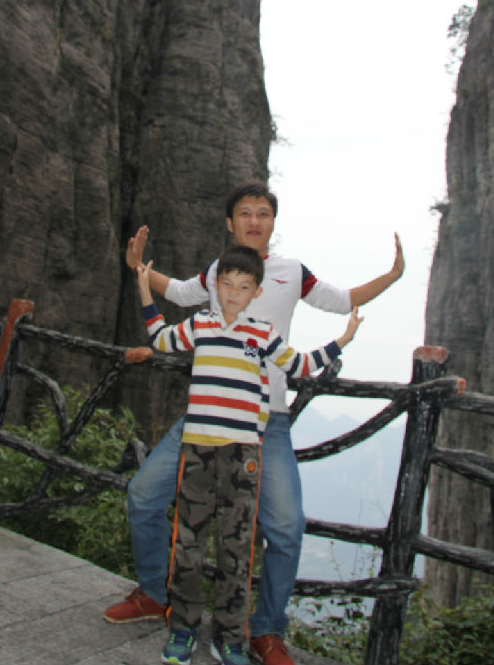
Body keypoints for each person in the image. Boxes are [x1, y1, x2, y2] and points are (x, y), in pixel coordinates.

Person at [104, 182, 405, 665]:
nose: (254, 220)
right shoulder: (217, 272)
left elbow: (343, 298)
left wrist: (392, 275)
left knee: (285, 526)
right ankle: (155, 594)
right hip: (205, 419)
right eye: (245, 213)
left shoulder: (291, 272)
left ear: (272, 222)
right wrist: (137, 268)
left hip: (269, 421)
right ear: (230, 223)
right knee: (143, 495)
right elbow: (177, 292)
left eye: (263, 213)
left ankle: (266, 631)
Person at [136, 244, 363, 665]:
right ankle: (183, 629)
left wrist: (342, 340)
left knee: (236, 548)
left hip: (244, 456)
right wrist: (145, 290)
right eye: (226, 284)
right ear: (215, 287)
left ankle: (230, 638)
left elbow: (299, 364)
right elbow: (160, 337)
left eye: (243, 287)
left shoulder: (261, 334)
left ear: (257, 292)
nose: (233, 293)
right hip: (198, 451)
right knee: (188, 543)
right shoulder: (201, 324)